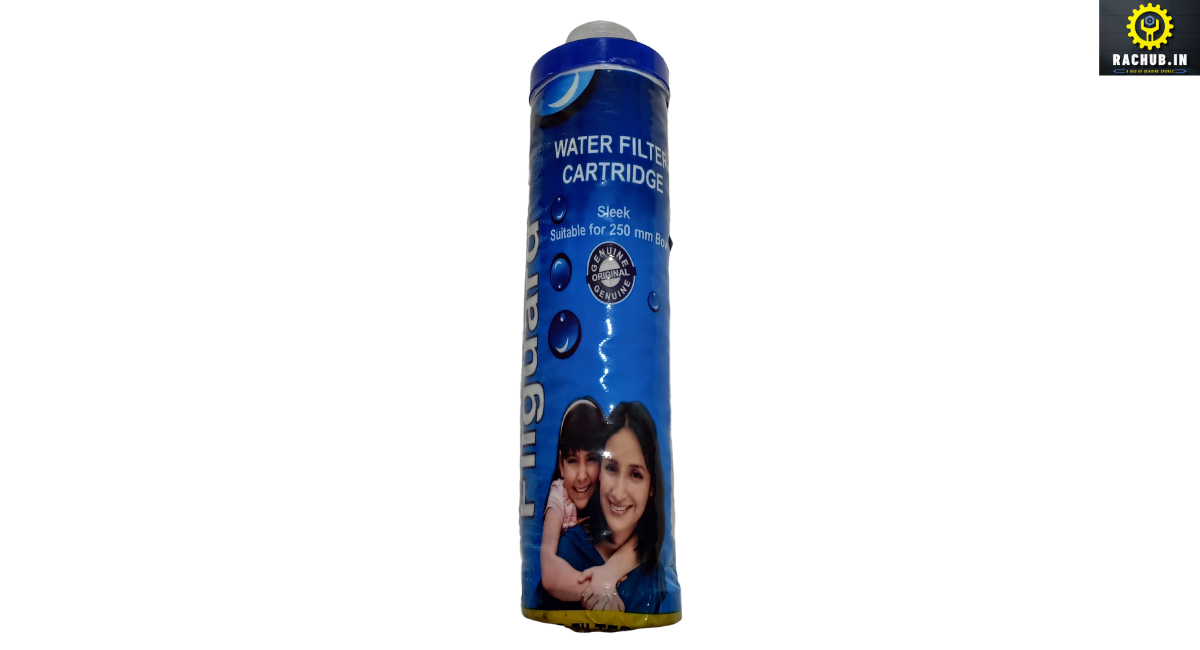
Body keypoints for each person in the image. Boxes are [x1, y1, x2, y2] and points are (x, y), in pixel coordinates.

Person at [536, 401, 670, 614]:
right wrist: (597, 589)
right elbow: (549, 572)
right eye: (611, 468)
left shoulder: (653, 563)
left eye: (636, 474)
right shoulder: (567, 541)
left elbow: (646, 540)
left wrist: (609, 573)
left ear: (652, 485)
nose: (618, 493)